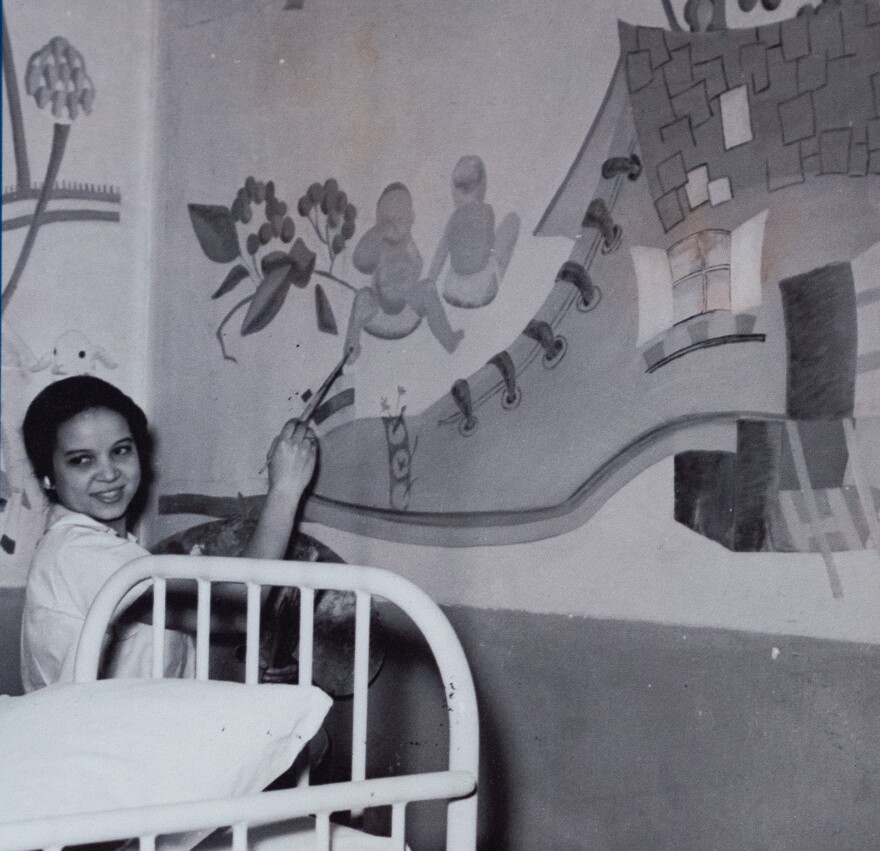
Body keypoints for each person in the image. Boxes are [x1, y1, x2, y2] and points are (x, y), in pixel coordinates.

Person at [19, 375, 316, 692]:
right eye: (82, 460)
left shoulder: (110, 549)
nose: (108, 473)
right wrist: (285, 489)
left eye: (121, 451)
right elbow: (237, 608)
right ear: (47, 477)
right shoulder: (78, 553)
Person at [344, 182, 463, 362]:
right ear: (377, 222)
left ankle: (448, 339)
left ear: (411, 218)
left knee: (427, 288)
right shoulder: (378, 245)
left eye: (399, 219)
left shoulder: (408, 244)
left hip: (407, 315)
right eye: (386, 221)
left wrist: (407, 279)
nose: (392, 226)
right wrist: (378, 233)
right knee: (363, 297)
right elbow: (359, 261)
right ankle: (351, 347)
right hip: (378, 317)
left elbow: (418, 264)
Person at [426, 155, 520, 308]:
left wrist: (431, 280)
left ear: (454, 190)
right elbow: (489, 244)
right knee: (512, 220)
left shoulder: (454, 218)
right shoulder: (487, 211)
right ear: (482, 186)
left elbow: (441, 251)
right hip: (481, 290)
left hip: (452, 290)